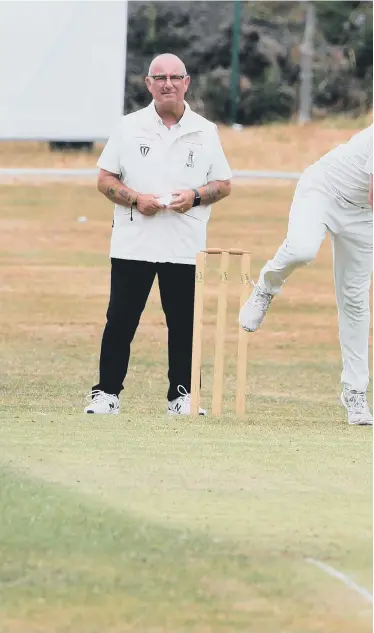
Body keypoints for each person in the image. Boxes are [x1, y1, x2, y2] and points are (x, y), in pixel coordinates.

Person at [85, 53, 232, 415]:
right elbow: (105, 179)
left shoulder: (204, 130)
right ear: (148, 83)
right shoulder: (129, 126)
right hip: (134, 240)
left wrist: (194, 196)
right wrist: (136, 200)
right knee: (120, 319)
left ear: (186, 82)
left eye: (175, 77)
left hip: (184, 242)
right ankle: (107, 394)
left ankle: (181, 396)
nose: (168, 83)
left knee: (182, 322)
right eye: (159, 77)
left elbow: (223, 184)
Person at [239, 125, 373, 426]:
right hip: (325, 189)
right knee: (303, 250)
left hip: (364, 215)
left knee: (355, 300)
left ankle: (355, 392)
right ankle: (266, 286)